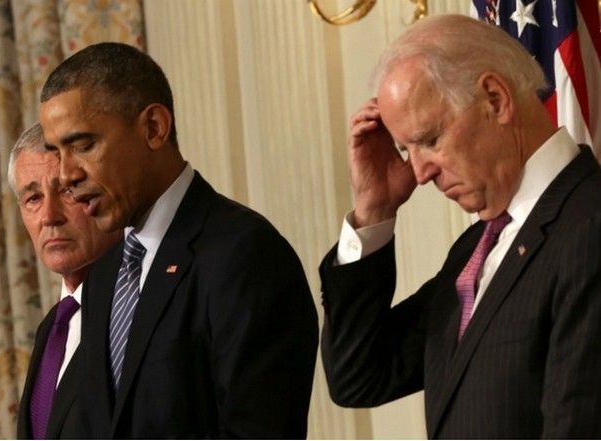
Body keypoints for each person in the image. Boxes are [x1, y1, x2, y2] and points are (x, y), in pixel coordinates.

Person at [320, 14, 601, 439]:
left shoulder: (589, 226)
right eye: (406, 149)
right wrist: (373, 212)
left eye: (429, 140)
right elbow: (358, 376)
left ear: (495, 99)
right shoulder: (474, 249)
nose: (419, 174)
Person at [38, 42, 318, 438]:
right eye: (57, 152)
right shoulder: (103, 277)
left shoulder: (244, 255)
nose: (66, 175)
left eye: (83, 146)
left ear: (154, 128)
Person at [10, 123, 121, 439]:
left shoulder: (137, 306)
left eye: (66, 191)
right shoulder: (52, 327)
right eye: (33, 197)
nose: (49, 215)